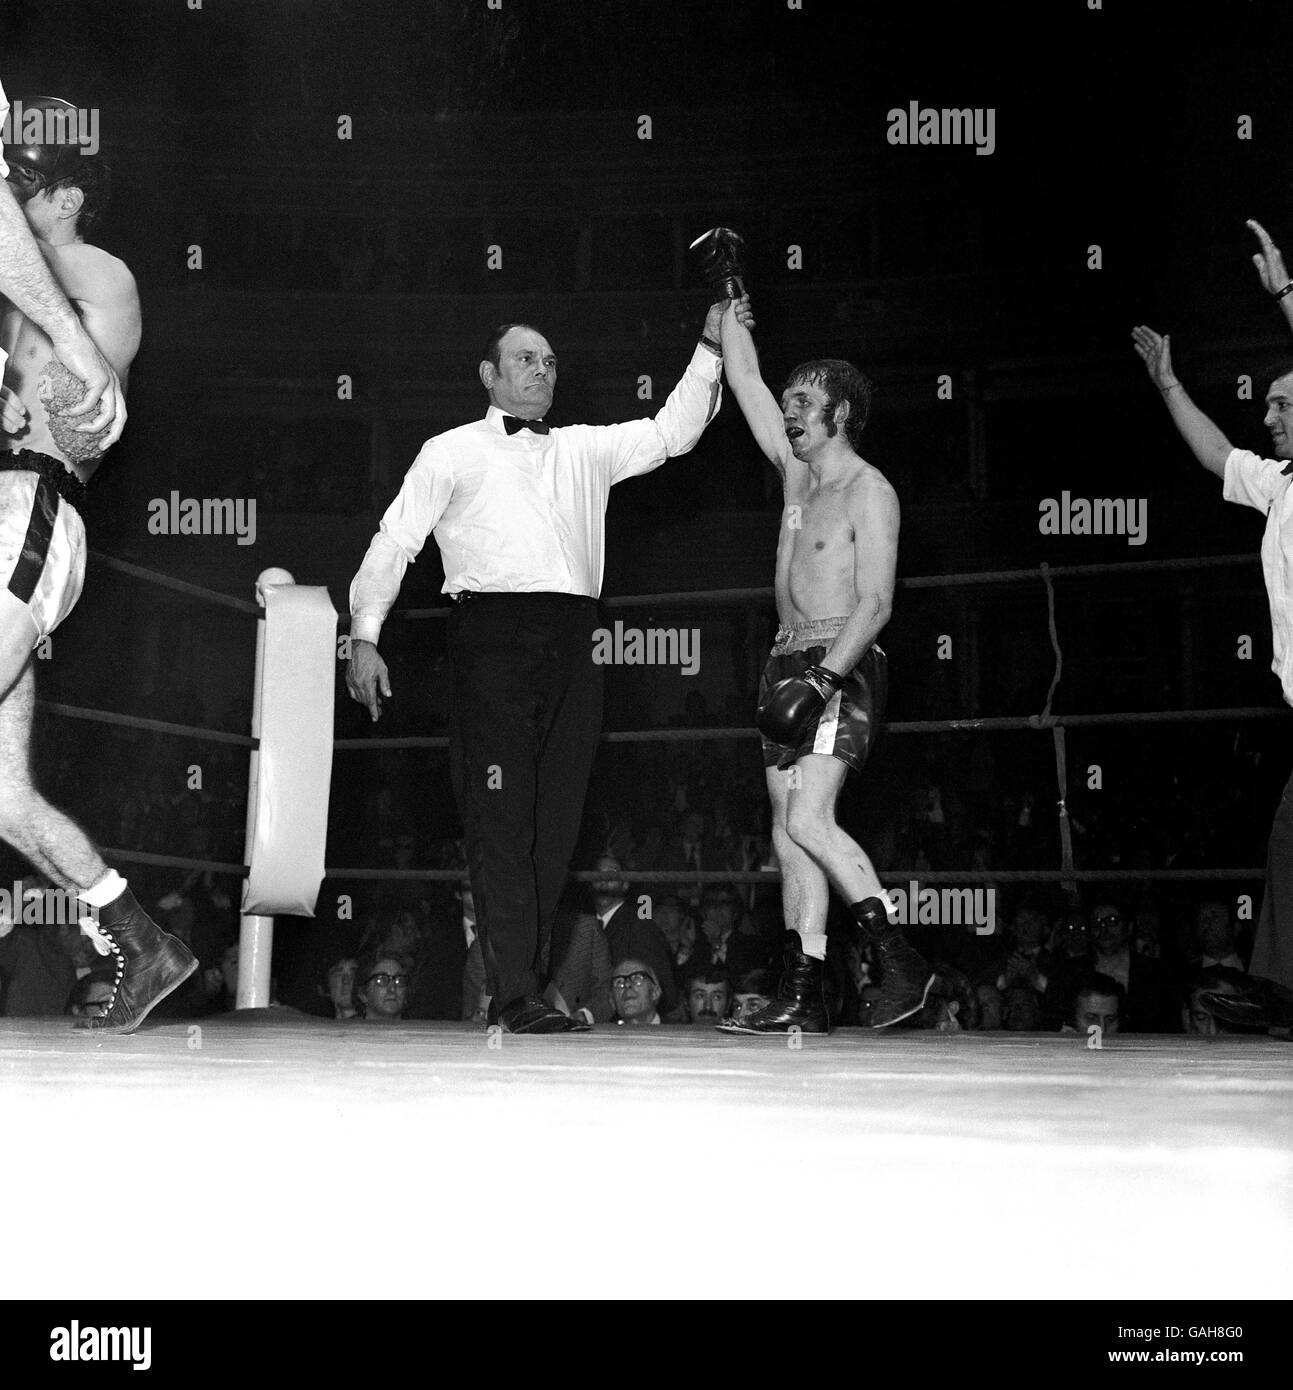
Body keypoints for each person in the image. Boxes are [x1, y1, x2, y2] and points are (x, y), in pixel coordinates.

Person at [346, 306, 725, 1033]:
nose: (541, 370)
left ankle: (530, 984)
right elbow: (396, 539)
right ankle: (512, 994)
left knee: (556, 824)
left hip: (574, 639)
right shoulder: (450, 450)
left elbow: (676, 430)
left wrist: (710, 344)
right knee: (500, 821)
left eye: (549, 361)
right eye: (525, 359)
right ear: (489, 375)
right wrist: (365, 634)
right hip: (491, 639)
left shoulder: (585, 448)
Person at [0, 96, 192, 1032]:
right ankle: (135, 935)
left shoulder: (100, 276)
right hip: (9, 516)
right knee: (4, 798)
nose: (11, 199)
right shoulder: (17, 306)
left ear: (67, 198)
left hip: (25, 512)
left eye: (20, 186)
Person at [716, 295, 932, 1034]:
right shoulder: (794, 477)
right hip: (784, 654)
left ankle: (898, 959)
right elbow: (743, 383)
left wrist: (822, 679)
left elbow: (876, 602)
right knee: (785, 829)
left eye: (803, 401)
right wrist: (727, 311)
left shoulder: (867, 491)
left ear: (840, 411)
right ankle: (802, 988)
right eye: (787, 402)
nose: (787, 412)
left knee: (809, 814)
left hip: (837, 657)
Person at [1133, 217, 1293, 999]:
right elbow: (1212, 454)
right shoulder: (1281, 487)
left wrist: (1286, 295)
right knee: (1289, 838)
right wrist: (1168, 382)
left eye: (1282, 406)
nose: (1267, 418)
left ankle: (1279, 991)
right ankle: (1279, 992)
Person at [0, 87, 124, 444]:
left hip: (41, 487)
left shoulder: (107, 274)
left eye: (17, 180)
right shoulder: (22, 295)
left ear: (68, 201)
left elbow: (18, 254)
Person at [609, 957, 663, 1027]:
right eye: (619, 982)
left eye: (637, 978)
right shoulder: (602, 1035)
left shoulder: (679, 1031)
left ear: (655, 992)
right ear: (612, 1001)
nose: (627, 984)